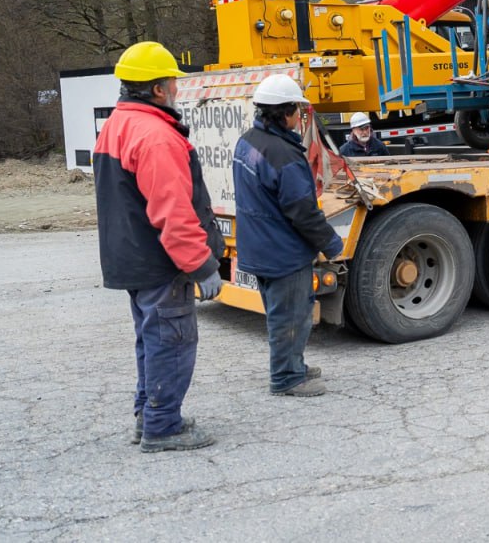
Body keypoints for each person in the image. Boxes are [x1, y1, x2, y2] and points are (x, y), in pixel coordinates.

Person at [93, 41, 224, 453]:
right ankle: (163, 427)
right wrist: (202, 265)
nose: (176, 89)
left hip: (132, 258)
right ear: (157, 89)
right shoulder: (156, 137)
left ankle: (147, 416)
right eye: (172, 82)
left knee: (152, 339)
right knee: (172, 340)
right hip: (160, 262)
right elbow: (173, 212)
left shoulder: (117, 125)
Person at [233, 74, 344, 398]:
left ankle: (293, 363)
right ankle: (287, 377)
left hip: (258, 247)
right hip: (283, 253)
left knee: (281, 313)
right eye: (297, 109)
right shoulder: (285, 155)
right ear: (284, 114)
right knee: (291, 316)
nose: (300, 116)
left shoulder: (247, 141)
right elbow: (303, 212)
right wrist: (332, 244)